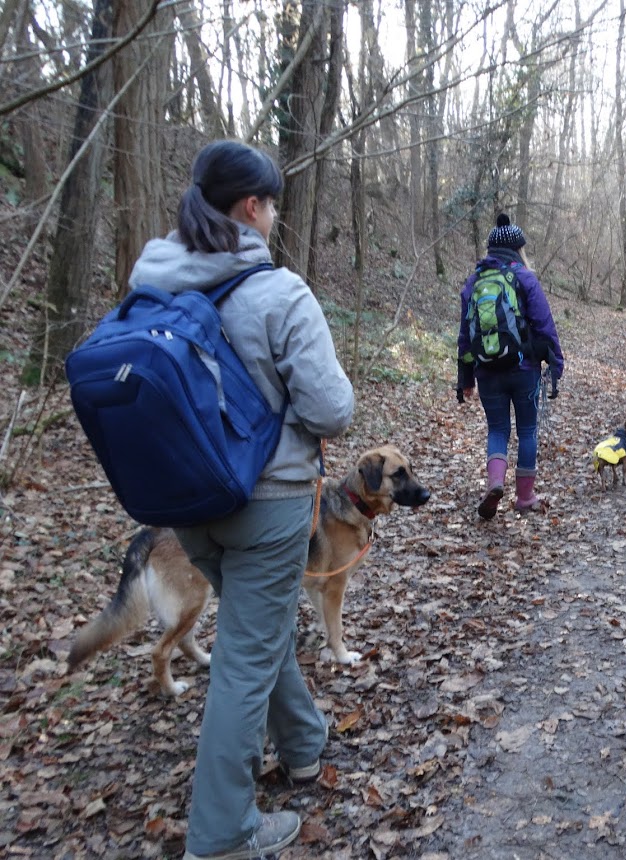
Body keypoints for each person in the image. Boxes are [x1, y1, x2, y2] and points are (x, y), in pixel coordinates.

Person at [127, 140, 355, 860]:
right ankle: (223, 834)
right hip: (269, 503)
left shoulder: (152, 287)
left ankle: (305, 745)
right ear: (252, 208)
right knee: (245, 656)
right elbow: (330, 408)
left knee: (257, 635)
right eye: (273, 204)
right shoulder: (277, 292)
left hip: (188, 505)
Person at [457, 213, 564, 519]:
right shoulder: (525, 278)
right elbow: (544, 323)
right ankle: (525, 497)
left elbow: (465, 334)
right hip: (524, 368)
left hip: (486, 371)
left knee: (498, 429)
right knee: (528, 430)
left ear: (489, 250)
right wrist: (556, 363)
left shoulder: (474, 281)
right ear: (519, 250)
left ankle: (494, 483)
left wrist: (465, 378)